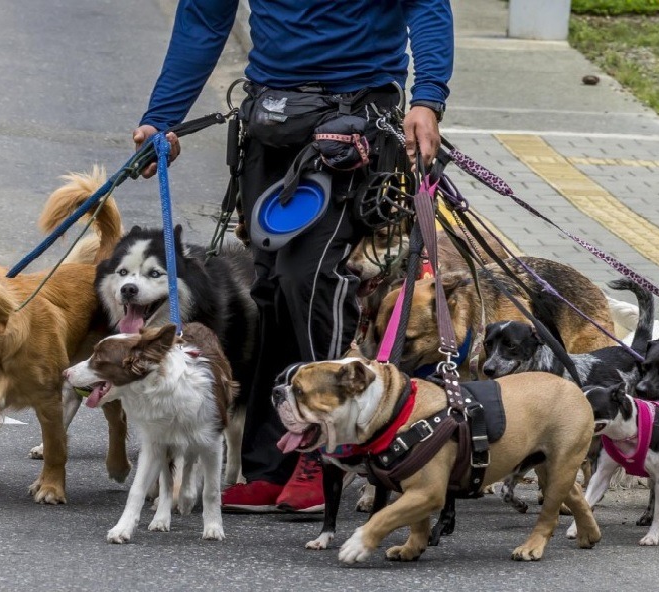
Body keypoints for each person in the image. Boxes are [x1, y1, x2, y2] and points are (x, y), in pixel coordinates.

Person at [132, 0, 453, 513]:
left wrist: (428, 97)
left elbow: (428, 6)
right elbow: (205, 17)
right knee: (270, 291)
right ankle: (270, 463)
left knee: (309, 278)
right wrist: (162, 120)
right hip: (271, 122)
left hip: (354, 125)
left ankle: (324, 450)